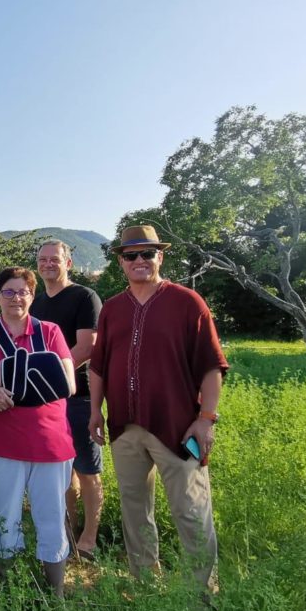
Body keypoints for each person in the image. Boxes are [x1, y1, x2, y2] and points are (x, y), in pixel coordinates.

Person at [88, 225, 227, 591]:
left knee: (191, 511)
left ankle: (203, 597)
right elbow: (99, 366)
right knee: (135, 512)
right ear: (121, 262)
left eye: (147, 253)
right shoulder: (114, 309)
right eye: (131, 255)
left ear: (159, 257)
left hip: (177, 426)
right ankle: (145, 585)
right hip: (124, 427)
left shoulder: (186, 302)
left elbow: (212, 365)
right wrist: (94, 414)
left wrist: (206, 419)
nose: (139, 260)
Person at [0, 266, 76, 597]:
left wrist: (18, 392)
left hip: (49, 440)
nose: (15, 298)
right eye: (8, 292)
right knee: (3, 516)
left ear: (32, 295)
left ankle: (55, 596)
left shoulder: (50, 332)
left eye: (22, 291)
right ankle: (3, 592)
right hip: (3, 441)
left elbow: (67, 384)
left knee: (52, 515)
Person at [30, 240, 104, 559]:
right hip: (46, 402)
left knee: (87, 470)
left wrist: (48, 378)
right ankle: (68, 532)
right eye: (42, 259)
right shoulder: (36, 304)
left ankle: (89, 537)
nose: (48, 264)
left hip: (80, 396)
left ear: (68, 263)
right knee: (61, 471)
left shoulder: (84, 297)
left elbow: (86, 347)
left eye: (55, 259)